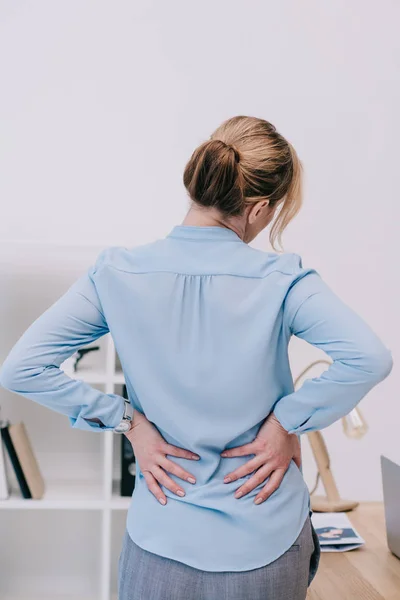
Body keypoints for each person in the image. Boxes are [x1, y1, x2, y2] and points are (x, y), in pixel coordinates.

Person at [0, 115, 393, 600]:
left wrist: (129, 422)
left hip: (161, 533)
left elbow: (22, 367)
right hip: (265, 535)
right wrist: (286, 421)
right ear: (259, 207)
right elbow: (369, 357)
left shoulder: (117, 272)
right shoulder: (281, 278)